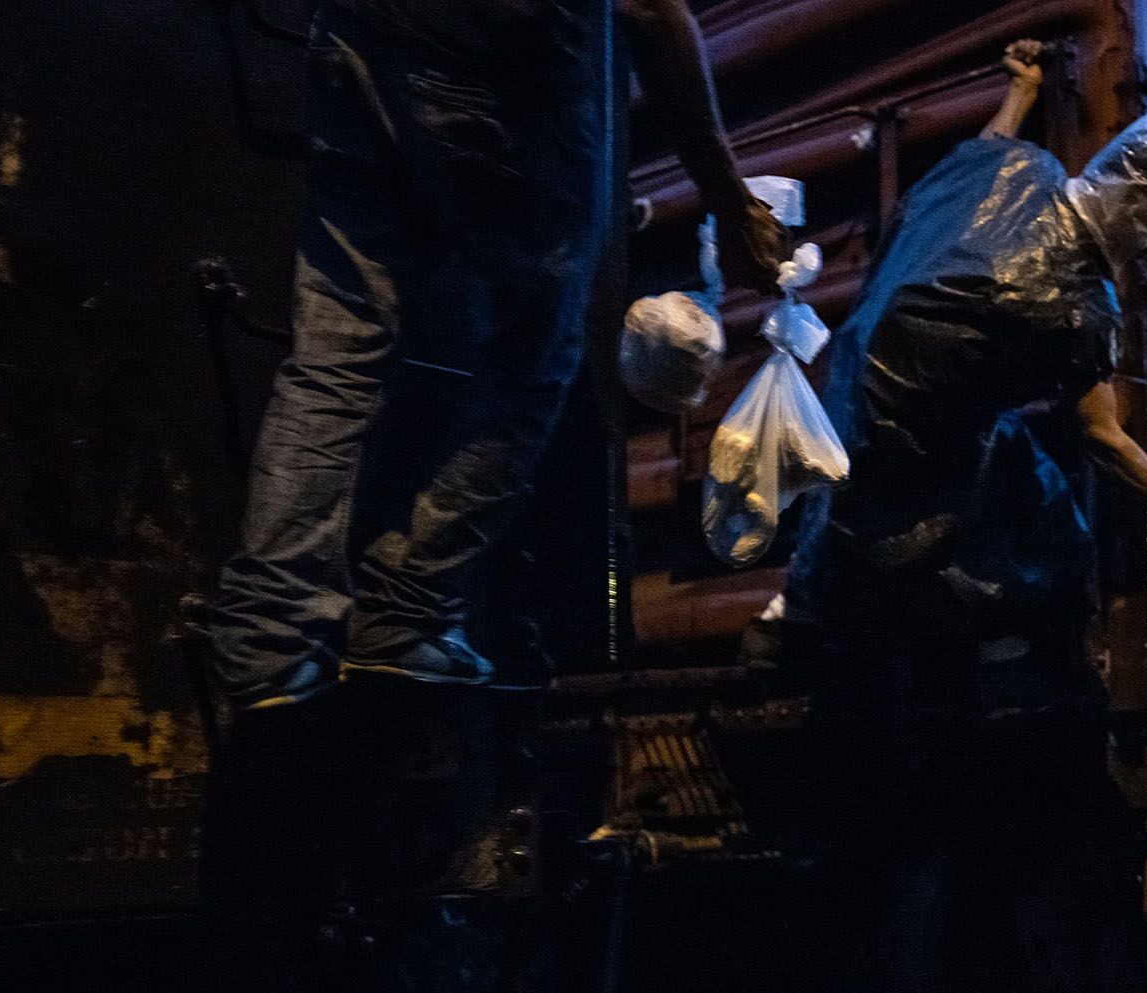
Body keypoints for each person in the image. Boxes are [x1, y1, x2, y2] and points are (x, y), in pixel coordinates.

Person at [771, 42, 1147, 993]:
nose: (1145, 255)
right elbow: (1102, 438)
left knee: (913, 498)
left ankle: (799, 611)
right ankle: (1049, 693)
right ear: (1139, 220)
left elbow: (978, 153)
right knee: (1055, 542)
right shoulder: (1075, 306)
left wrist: (1024, 92)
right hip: (905, 482)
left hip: (831, 408)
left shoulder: (1022, 172)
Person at [205, 0, 787, 709]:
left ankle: (268, 634)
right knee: (534, 357)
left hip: (352, 36)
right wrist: (729, 201)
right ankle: (404, 611)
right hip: (494, 66)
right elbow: (649, 9)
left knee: (341, 344)